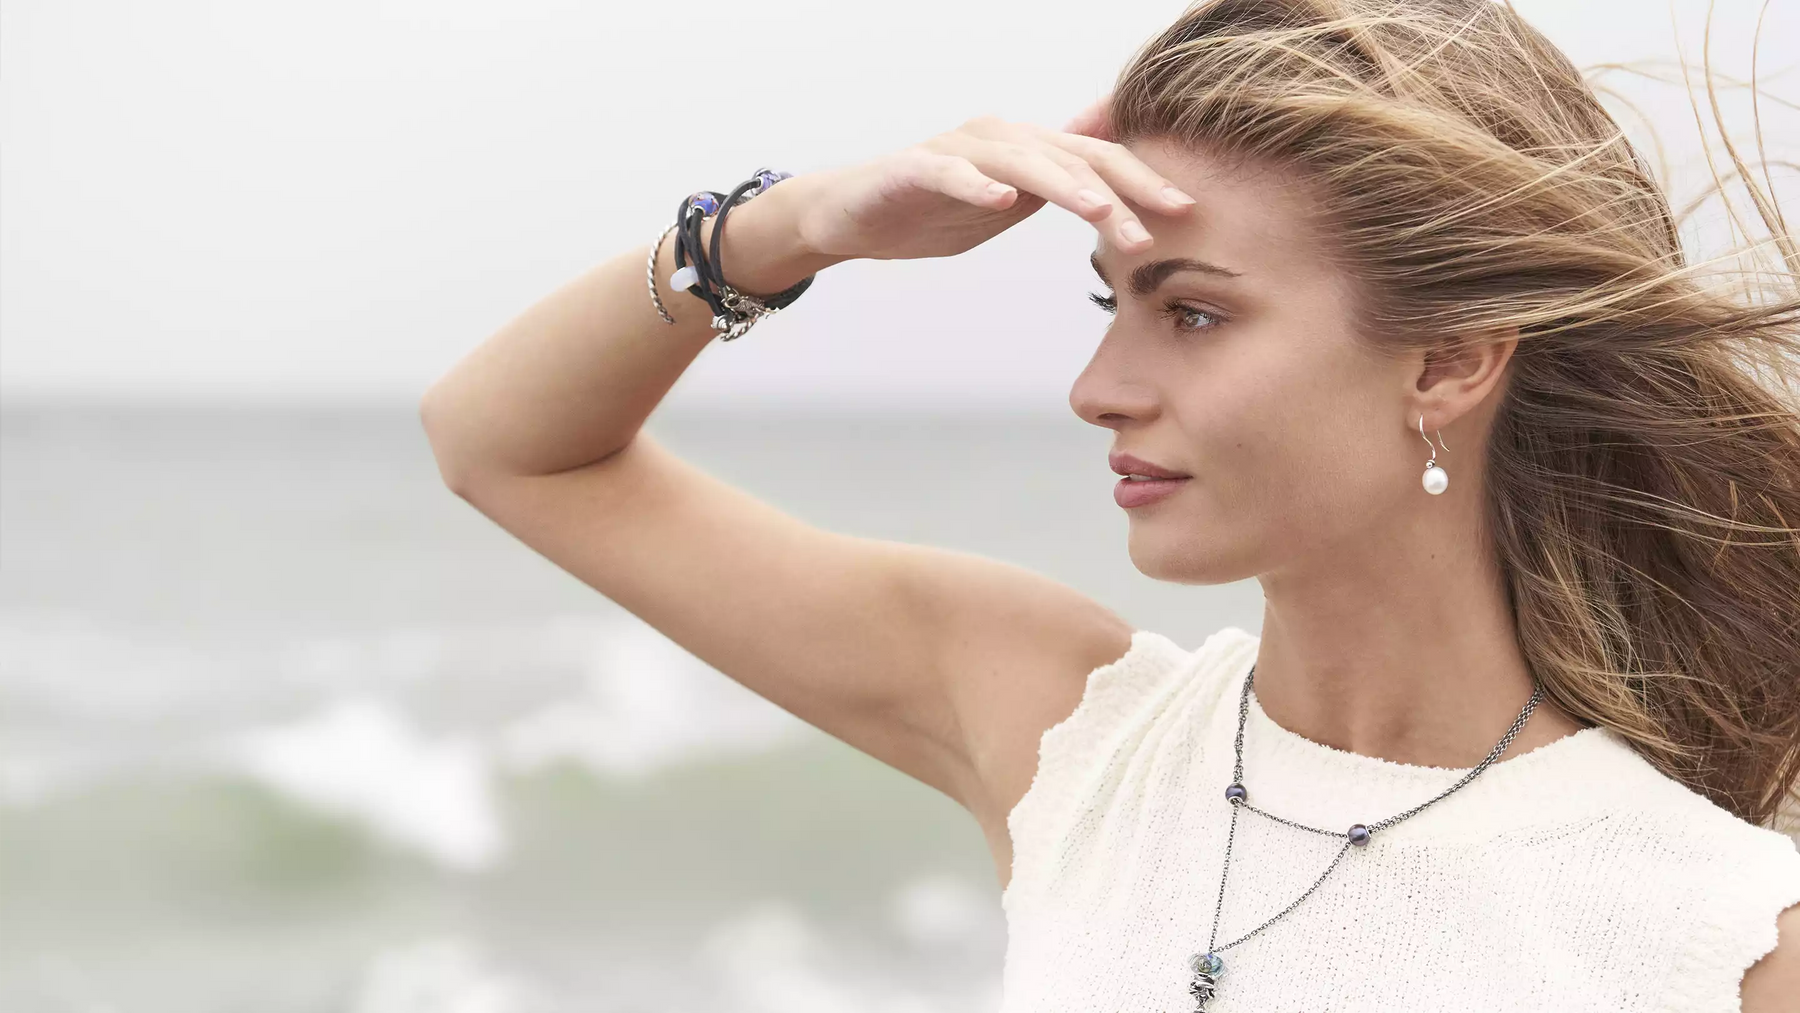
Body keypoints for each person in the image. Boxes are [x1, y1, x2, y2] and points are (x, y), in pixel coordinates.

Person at [419, 0, 1800, 1007]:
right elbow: (503, 444)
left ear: (1446, 359)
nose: (1098, 388)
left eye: (1192, 315)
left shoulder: (1715, 938)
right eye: (1111, 304)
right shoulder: (1068, 732)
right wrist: (789, 230)